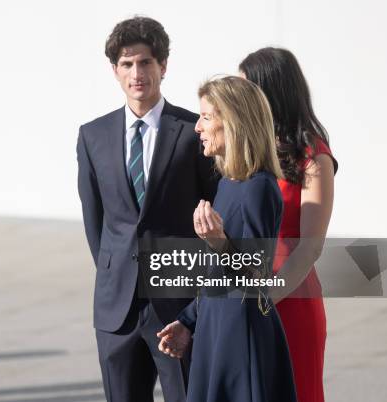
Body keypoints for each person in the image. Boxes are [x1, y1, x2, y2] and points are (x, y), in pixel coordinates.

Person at [77, 16, 218, 402]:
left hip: (178, 304)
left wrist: (198, 298)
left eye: (145, 62)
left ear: (163, 66)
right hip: (115, 307)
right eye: (127, 64)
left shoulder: (194, 131)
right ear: (115, 70)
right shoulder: (92, 135)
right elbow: (96, 222)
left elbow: (215, 214)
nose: (136, 72)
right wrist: (115, 270)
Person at [157, 76, 297, 402]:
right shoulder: (228, 183)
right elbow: (217, 277)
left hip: (240, 336)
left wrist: (218, 241)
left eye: (206, 117)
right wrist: (188, 321)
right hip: (217, 328)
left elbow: (254, 279)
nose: (197, 127)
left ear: (232, 122)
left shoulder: (259, 187)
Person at [239, 47, 338, 402]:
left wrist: (264, 299)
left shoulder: (313, 155)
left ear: (270, 91)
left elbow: (310, 246)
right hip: (245, 299)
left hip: (290, 300)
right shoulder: (249, 150)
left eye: (247, 89)